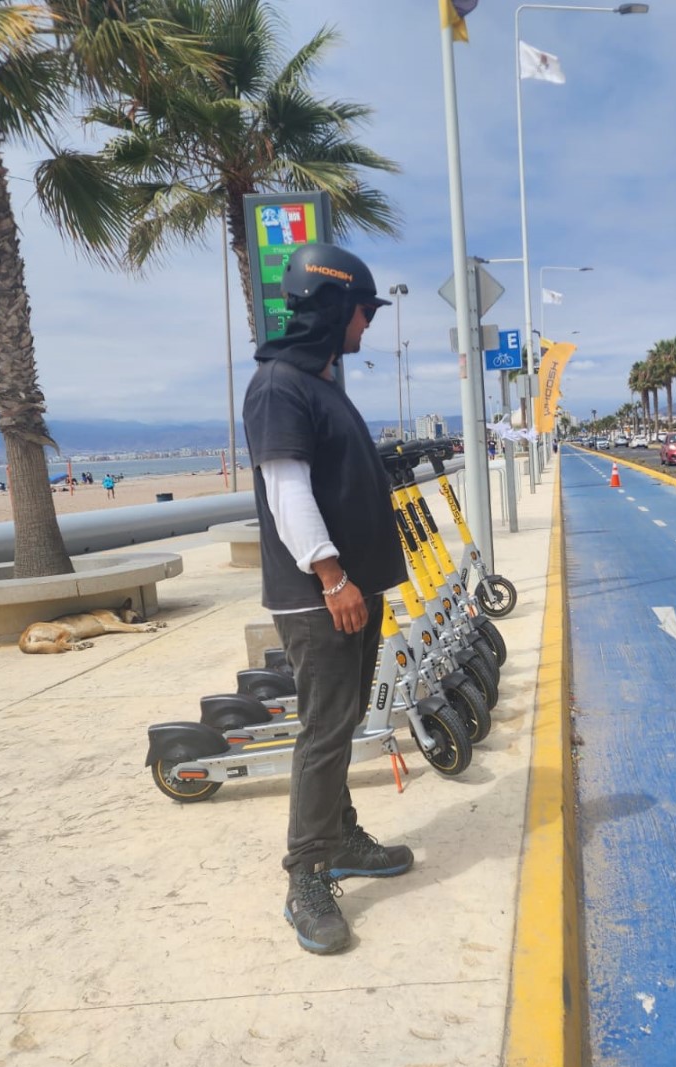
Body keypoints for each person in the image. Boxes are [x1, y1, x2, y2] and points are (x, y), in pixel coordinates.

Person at [242, 242, 412, 956]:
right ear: (337, 305)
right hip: (323, 598)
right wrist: (333, 577)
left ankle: (340, 838)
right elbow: (287, 493)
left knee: (338, 726)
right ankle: (306, 876)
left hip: (350, 592)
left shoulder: (318, 382)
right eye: (365, 311)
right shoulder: (280, 385)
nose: (368, 325)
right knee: (322, 733)